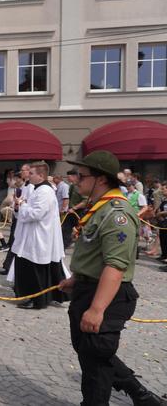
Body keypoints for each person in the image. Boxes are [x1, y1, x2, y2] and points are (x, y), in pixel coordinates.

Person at [59, 151, 166, 406]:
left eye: (82, 176)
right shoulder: (99, 209)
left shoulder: (116, 213)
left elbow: (115, 265)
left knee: (95, 362)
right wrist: (77, 277)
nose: (76, 181)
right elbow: (95, 251)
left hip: (108, 296)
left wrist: (97, 309)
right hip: (88, 288)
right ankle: (142, 396)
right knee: (91, 353)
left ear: (101, 180)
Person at [9, 162, 70, 309]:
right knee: (27, 267)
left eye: (31, 173)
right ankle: (30, 297)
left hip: (38, 236)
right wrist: (19, 206)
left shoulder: (45, 191)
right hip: (31, 234)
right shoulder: (38, 189)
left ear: (41, 175)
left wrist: (23, 205)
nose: (28, 176)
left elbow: (36, 214)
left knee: (33, 270)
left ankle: (35, 300)